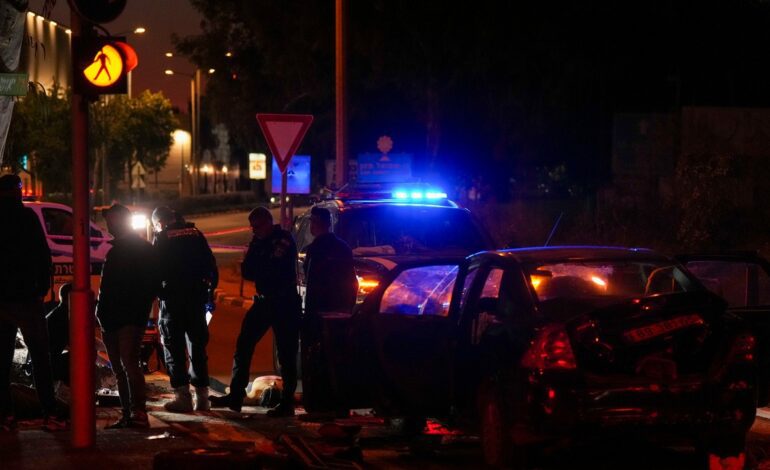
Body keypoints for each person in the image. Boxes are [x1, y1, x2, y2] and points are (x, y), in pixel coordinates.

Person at [210, 207, 301, 417]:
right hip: (263, 302)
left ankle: (287, 403)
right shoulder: (258, 242)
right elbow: (248, 271)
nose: (254, 231)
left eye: (257, 226)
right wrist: (261, 262)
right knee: (243, 346)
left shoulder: (283, 240)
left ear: (268, 222)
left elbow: (273, 269)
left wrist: (261, 264)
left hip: (284, 302)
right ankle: (235, 395)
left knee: (286, 353)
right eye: (252, 227)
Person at [0, 174, 64, 431]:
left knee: (1, 363)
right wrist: (40, 289)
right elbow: (42, 255)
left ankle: (6, 416)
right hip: (28, 299)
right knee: (40, 359)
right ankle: (50, 412)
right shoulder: (27, 219)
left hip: (2, 301)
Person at [96, 204, 159, 429]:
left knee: (129, 365)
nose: (108, 225)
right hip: (112, 318)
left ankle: (138, 412)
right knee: (120, 369)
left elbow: (150, 286)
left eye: (112, 220)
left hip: (128, 318)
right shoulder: (117, 250)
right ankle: (127, 413)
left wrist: (136, 309)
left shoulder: (141, 250)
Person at [152, 206, 217, 412]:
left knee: (174, 347)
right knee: (197, 346)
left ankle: (182, 397)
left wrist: (158, 293)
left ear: (160, 222)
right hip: (196, 299)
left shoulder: (163, 238)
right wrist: (208, 293)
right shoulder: (196, 234)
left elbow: (156, 270)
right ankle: (202, 398)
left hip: (172, 301)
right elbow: (211, 266)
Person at [301, 207, 356, 412]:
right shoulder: (343, 247)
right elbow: (352, 281)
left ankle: (321, 404)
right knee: (340, 359)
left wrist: (310, 314)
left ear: (317, 223)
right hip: (341, 311)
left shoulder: (316, 249)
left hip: (321, 312)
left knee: (319, 359)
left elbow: (312, 281)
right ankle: (339, 403)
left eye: (312, 223)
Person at [46, 283, 72, 381]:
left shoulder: (58, 312)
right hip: (53, 365)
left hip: (46, 362)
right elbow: (83, 344)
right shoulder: (65, 316)